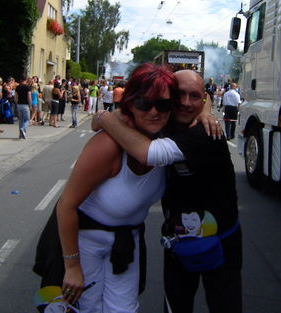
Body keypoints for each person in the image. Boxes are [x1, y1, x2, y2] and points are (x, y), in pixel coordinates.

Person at [33, 64, 178, 313]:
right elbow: (66, 205)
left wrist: (206, 112)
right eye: (145, 103)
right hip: (85, 242)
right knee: (87, 309)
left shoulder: (166, 140)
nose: (154, 112)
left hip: (126, 243)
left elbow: (195, 100)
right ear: (131, 103)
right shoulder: (108, 146)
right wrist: (72, 267)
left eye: (163, 104)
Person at [93, 70, 241, 313]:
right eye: (179, 95)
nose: (185, 102)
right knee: (175, 306)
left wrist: (106, 120)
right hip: (179, 238)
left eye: (194, 97)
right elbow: (105, 119)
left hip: (221, 242)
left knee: (225, 306)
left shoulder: (206, 133)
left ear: (203, 98)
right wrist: (102, 116)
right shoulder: (164, 120)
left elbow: (149, 153)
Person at [15, 75, 32, 139]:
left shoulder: (18, 87)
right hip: (25, 105)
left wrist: (16, 102)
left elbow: (15, 96)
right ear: (26, 80)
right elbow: (29, 97)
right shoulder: (27, 87)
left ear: (20, 80)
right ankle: (23, 129)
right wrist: (30, 105)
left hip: (19, 104)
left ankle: (20, 134)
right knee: (27, 119)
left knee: (21, 120)